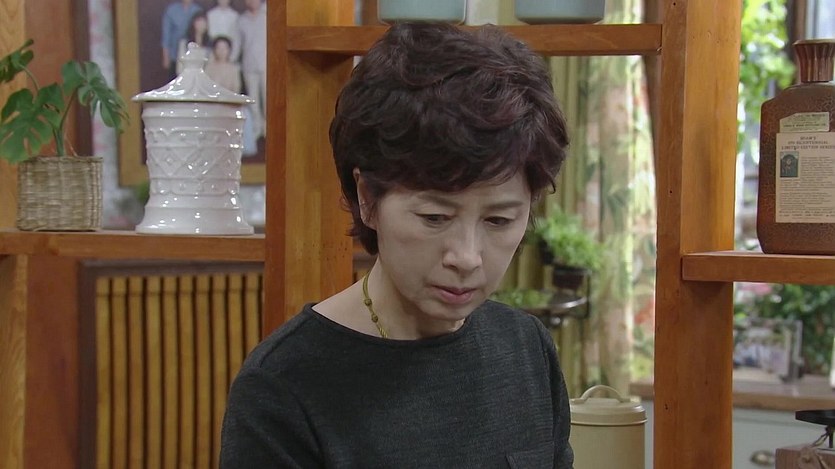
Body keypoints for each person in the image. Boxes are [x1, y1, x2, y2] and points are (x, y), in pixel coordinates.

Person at [220, 22, 574, 468]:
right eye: (435, 217)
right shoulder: (285, 385)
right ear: (368, 199)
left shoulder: (526, 349)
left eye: (499, 220)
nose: (466, 257)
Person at [237, 0, 267, 138]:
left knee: (267, 98)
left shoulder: (267, 16)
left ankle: (268, 128)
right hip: (249, 64)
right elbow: (238, 43)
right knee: (253, 99)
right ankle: (256, 129)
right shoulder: (242, 20)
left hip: (266, 63)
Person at [161, 0, 203, 79]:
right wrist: (165, 56)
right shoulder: (171, 10)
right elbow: (166, 35)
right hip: (174, 54)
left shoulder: (198, 10)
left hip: (193, 54)